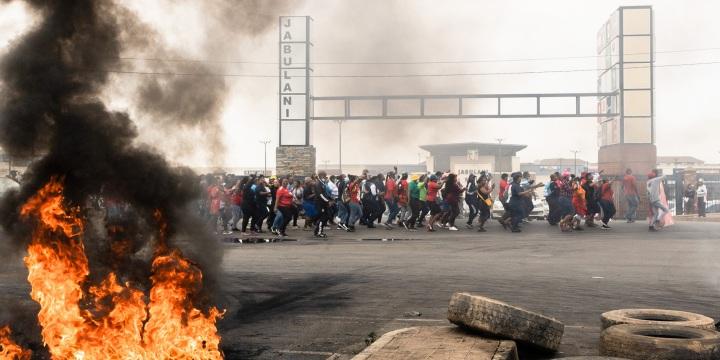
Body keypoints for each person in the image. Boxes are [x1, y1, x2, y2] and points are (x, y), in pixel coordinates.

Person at [313, 171, 332, 237]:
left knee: (325, 217)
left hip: (323, 203)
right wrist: (327, 201)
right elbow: (320, 195)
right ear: (321, 175)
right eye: (325, 175)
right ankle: (319, 232)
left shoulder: (322, 183)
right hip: (320, 204)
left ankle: (318, 231)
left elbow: (325, 193)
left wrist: (329, 199)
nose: (325, 177)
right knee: (323, 218)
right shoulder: (318, 183)